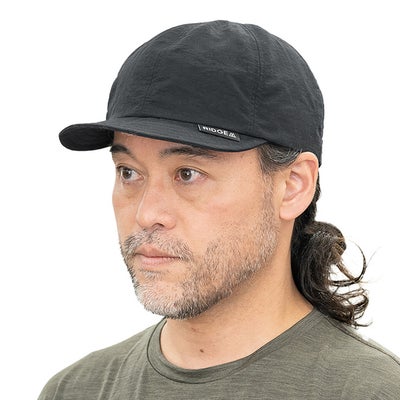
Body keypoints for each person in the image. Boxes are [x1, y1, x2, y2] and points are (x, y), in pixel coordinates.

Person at [38, 20, 399, 399]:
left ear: (293, 186)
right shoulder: (74, 391)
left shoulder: (372, 392)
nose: (146, 214)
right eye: (128, 172)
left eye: (188, 174)